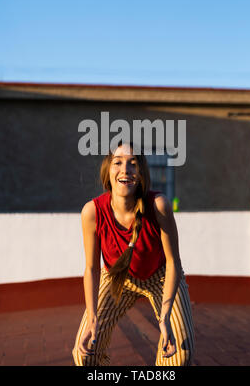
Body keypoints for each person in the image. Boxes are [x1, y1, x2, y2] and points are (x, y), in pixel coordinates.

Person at [72, 141, 195, 366]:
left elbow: (173, 263)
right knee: (83, 354)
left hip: (160, 276)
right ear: (107, 171)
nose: (125, 170)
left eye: (133, 163)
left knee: (180, 354)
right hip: (116, 277)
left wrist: (165, 317)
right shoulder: (92, 212)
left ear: (141, 173)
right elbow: (91, 268)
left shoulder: (159, 206)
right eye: (117, 163)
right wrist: (92, 316)